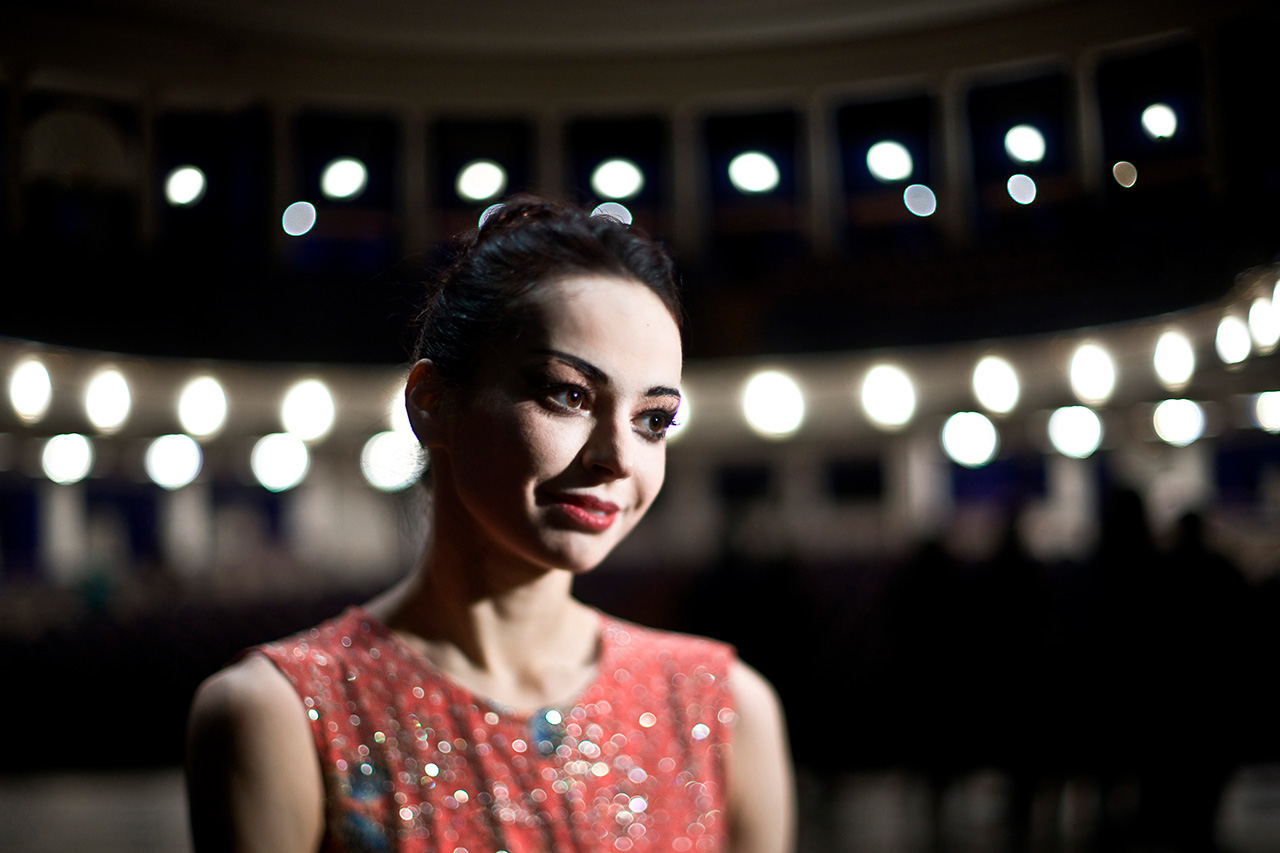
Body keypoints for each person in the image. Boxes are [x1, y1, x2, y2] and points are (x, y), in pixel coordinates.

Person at [186, 196, 796, 853]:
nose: (618, 457)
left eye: (653, 420)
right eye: (570, 394)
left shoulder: (724, 707)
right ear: (431, 403)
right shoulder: (277, 715)